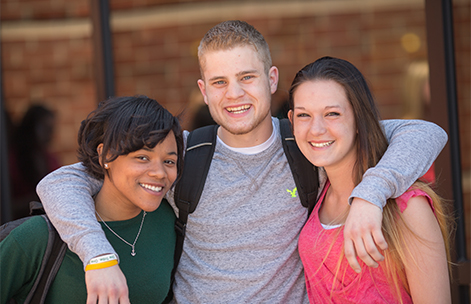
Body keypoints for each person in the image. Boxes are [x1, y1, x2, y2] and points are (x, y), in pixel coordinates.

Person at [36, 21, 447, 304]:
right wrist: (99, 256)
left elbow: (426, 133)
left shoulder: (309, 141)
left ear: (270, 79)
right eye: (219, 82)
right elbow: (60, 183)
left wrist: (370, 195)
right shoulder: (178, 155)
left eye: (247, 77)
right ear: (204, 90)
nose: (235, 94)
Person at [289, 57, 451, 303]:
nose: (316, 129)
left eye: (332, 113)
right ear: (290, 120)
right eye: (304, 115)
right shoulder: (317, 188)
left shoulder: (408, 206)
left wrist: (368, 196)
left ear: (358, 119)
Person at [1, 96, 183, 303]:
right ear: (105, 155)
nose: (160, 173)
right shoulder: (39, 236)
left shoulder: (170, 224)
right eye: (142, 157)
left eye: (169, 161)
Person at [9, 104, 61, 219]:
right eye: (45, 129)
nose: (50, 135)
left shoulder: (50, 158)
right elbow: (7, 205)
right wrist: (34, 200)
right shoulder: (12, 160)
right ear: (31, 127)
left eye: (51, 130)